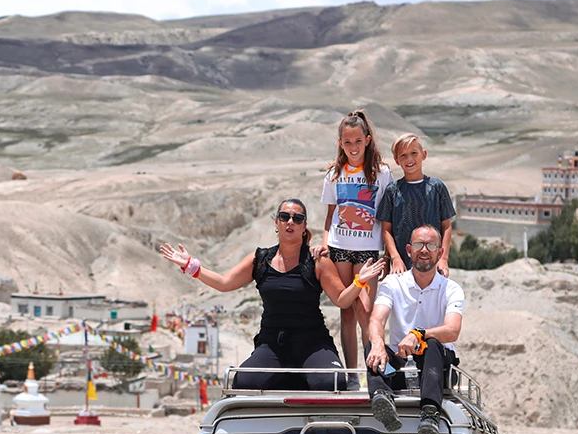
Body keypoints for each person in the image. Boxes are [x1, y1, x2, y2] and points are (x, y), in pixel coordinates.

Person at [160, 199, 383, 391]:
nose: (290, 222)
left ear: (304, 226)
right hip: (273, 343)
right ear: (276, 222)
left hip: (313, 342)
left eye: (297, 219)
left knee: (332, 383)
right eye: (284, 216)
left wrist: (359, 281)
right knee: (243, 382)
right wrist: (191, 266)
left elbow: (341, 300)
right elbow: (224, 283)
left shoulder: (317, 261)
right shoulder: (260, 259)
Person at [365, 224, 464, 434]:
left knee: (432, 344)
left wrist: (418, 334)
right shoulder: (392, 283)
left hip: (437, 372)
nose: (424, 250)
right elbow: (376, 320)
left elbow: (453, 330)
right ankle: (382, 398)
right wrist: (378, 344)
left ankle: (429, 413)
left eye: (431, 245)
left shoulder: (451, 289)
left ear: (440, 252)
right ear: (409, 250)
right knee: (372, 346)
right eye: (419, 244)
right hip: (398, 369)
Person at [318, 110, 394, 369]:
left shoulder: (382, 174)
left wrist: (389, 254)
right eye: (347, 142)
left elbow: (387, 218)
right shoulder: (333, 175)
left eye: (358, 141)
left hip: (368, 252)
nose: (353, 147)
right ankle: (351, 374)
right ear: (340, 143)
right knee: (346, 312)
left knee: (366, 311)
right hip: (339, 249)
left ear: (368, 140)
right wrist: (324, 243)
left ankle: (374, 370)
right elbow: (330, 215)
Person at [378, 133, 455, 274]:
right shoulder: (392, 191)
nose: (409, 159)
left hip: (432, 264)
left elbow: (446, 226)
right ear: (397, 160)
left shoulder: (437, 187)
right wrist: (394, 259)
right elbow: (386, 230)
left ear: (423, 155)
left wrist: (443, 259)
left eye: (414, 153)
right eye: (403, 155)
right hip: (401, 266)